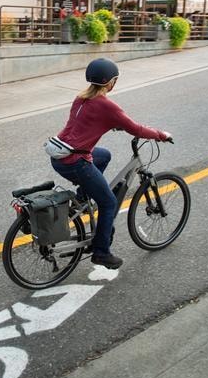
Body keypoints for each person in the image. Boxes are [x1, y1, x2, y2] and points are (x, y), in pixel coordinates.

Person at [49, 58, 172, 269]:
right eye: (115, 80)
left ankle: (82, 198)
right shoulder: (106, 105)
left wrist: (115, 125)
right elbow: (136, 129)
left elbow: (85, 123)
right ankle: (101, 252)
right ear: (110, 82)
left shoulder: (80, 98)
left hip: (60, 156)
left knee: (103, 155)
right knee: (109, 203)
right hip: (75, 161)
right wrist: (161, 135)